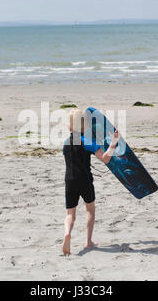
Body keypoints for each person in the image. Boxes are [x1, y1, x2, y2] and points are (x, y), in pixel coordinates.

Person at [62, 109, 119, 256]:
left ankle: (67, 233)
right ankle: (88, 242)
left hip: (69, 180)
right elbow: (105, 158)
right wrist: (113, 143)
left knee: (70, 214)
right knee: (90, 210)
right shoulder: (88, 142)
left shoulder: (65, 143)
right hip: (85, 181)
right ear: (86, 126)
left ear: (69, 127)